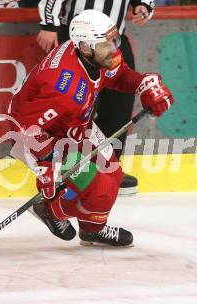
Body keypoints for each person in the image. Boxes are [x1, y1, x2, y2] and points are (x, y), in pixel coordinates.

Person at [7, 10, 173, 246]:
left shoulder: (94, 55)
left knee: (112, 174)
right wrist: (46, 165)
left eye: (112, 40)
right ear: (85, 47)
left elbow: (119, 74)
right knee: (99, 188)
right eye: (106, 44)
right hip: (41, 136)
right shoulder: (63, 87)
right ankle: (52, 209)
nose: (114, 48)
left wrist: (143, 84)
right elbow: (26, 128)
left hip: (74, 122)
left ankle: (92, 228)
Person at [37, 0, 155, 196]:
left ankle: (108, 169)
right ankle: (66, 170)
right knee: (77, 108)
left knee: (119, 106)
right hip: (79, 41)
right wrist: (48, 24)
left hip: (113, 40)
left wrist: (142, 5)